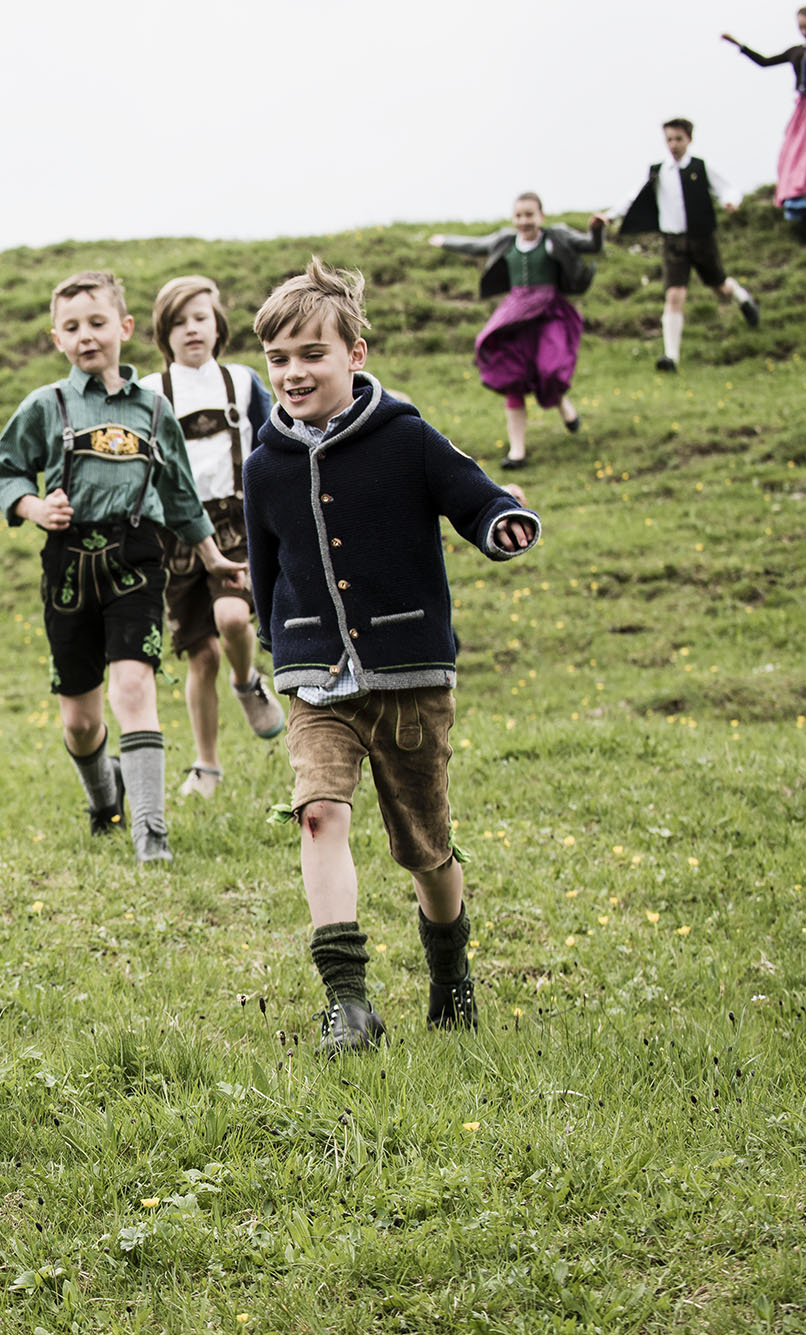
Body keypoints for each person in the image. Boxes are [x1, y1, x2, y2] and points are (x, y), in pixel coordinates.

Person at [243, 258, 540, 1055]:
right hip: (316, 680)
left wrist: (500, 522)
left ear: (355, 354)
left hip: (410, 674)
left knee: (425, 848)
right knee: (318, 814)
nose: (293, 372)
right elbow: (267, 569)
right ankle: (349, 1003)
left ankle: (450, 970)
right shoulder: (264, 464)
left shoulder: (406, 437)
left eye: (312, 353)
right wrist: (279, 641)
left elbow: (473, 494)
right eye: (278, 357)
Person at [0, 270, 245, 864]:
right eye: (72, 327)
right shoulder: (46, 406)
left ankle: (152, 838)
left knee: (133, 688)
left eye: (98, 323)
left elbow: (180, 496)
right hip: (68, 567)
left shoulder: (155, 411)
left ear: (124, 328)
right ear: (57, 338)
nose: (86, 336)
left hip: (137, 558)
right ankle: (107, 799)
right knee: (81, 723)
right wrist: (34, 507)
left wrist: (213, 559)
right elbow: (5, 473)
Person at [142, 275, 283, 802]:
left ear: (218, 325)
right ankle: (207, 765)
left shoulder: (242, 382)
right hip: (175, 535)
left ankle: (246, 682)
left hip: (235, 524)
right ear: (164, 334)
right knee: (201, 656)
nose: (191, 330)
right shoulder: (151, 393)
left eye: (200, 318)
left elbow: (275, 438)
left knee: (232, 619)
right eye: (178, 323)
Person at [429, 193, 604, 469]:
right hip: (515, 315)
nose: (524, 221)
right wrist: (444, 241)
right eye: (519, 215)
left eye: (529, 215)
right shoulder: (506, 241)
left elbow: (591, 245)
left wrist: (597, 229)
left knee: (549, 370)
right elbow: (476, 245)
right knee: (513, 376)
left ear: (541, 216)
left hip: (549, 313)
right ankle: (517, 452)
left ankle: (563, 405)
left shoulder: (555, 238)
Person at [595, 118, 761, 372]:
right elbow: (632, 197)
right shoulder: (658, 172)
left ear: (689, 140)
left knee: (720, 286)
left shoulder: (701, 167)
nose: (673, 144)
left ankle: (743, 299)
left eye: (678, 139)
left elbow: (727, 189)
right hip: (673, 242)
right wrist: (610, 215)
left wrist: (731, 201)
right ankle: (671, 357)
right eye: (669, 139)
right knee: (674, 294)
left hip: (701, 238)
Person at [724, 7, 806, 245]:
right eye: (801, 27)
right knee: (793, 156)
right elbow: (765, 62)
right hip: (803, 109)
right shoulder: (796, 51)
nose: (804, 31)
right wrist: (739, 45)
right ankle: (800, 203)